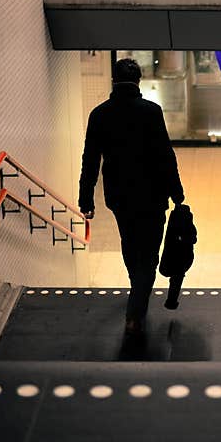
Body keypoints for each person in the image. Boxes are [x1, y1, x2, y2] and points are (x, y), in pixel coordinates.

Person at [78, 58, 185, 336]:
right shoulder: (151, 111)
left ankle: (137, 290)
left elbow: (90, 160)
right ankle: (135, 311)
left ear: (113, 81)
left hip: (120, 195)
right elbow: (165, 156)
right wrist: (177, 191)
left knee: (130, 243)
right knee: (149, 254)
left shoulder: (99, 114)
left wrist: (86, 199)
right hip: (152, 194)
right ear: (138, 81)